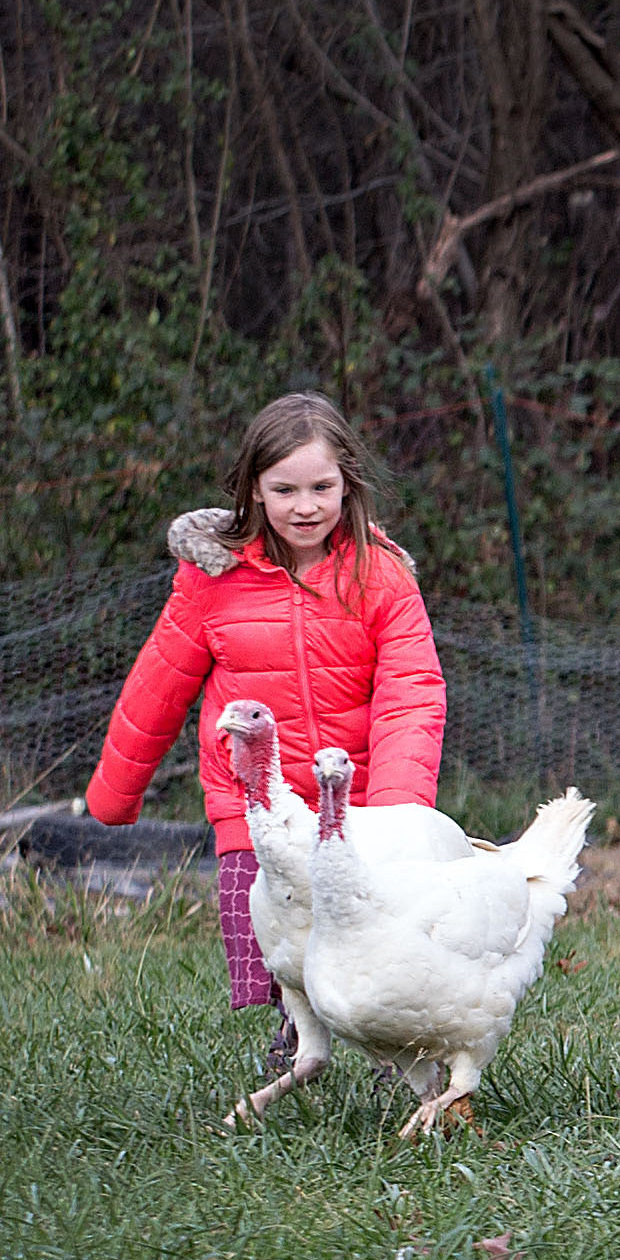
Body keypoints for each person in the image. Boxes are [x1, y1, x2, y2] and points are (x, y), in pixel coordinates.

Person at [87, 393, 449, 1075]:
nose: (304, 505)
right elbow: (156, 688)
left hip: (358, 804)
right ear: (253, 488)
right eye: (284, 489)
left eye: (321, 487)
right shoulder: (211, 581)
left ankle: (388, 1052)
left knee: (373, 934)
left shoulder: (382, 576)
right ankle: (296, 1041)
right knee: (276, 935)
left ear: (349, 484)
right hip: (250, 805)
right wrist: (115, 791)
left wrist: (402, 812)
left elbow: (410, 696)